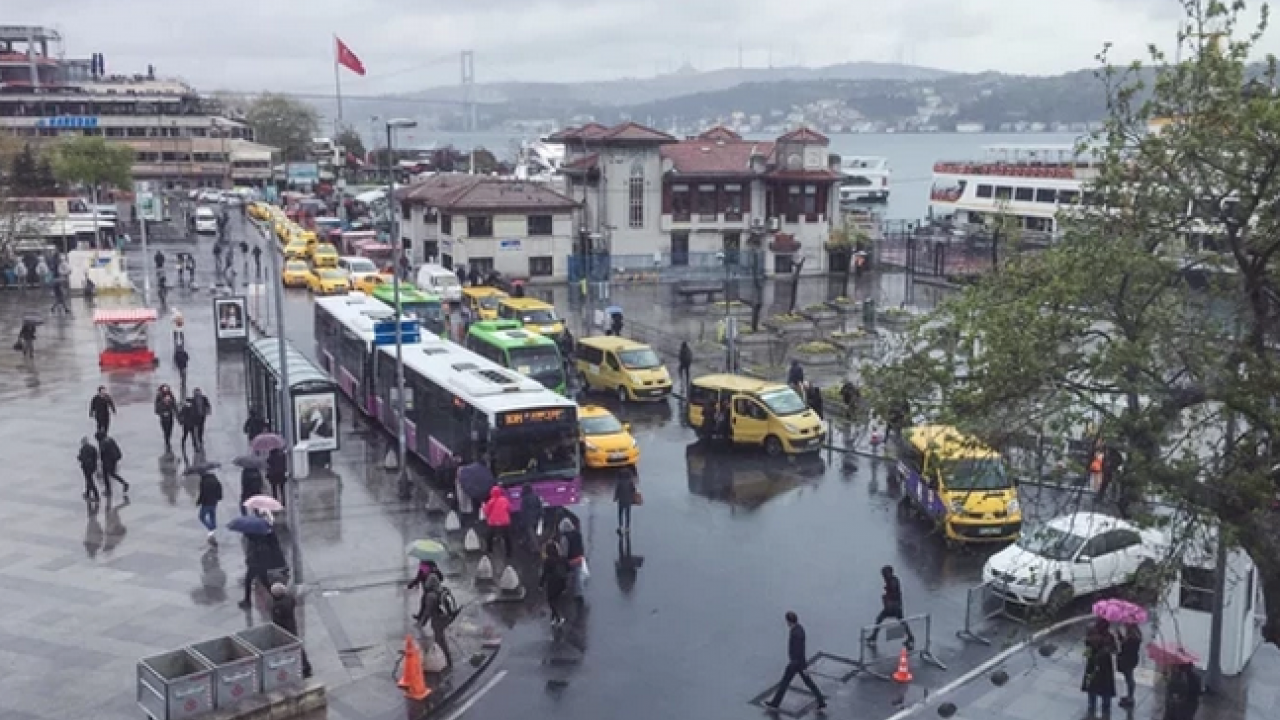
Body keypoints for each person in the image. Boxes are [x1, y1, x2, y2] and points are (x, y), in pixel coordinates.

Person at [765, 611, 827, 711]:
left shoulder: (795, 633)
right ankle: (821, 701)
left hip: (795, 664)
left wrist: (803, 667)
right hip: (799, 663)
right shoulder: (799, 629)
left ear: (789, 621)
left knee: (785, 683)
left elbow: (799, 651)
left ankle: (775, 703)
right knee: (809, 683)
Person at [270, 584, 313, 677]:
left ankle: (299, 667)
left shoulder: (278, 606)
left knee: (291, 649)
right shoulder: (289, 599)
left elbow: (277, 620)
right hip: (292, 627)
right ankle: (305, 666)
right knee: (297, 648)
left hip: (285, 630)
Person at [866, 565, 914, 646]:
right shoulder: (892, 580)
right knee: (901, 621)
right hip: (896, 605)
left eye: (884, 574)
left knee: (880, 619)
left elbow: (894, 593)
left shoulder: (892, 582)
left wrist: (887, 598)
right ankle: (910, 637)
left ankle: (874, 636)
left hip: (893, 606)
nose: (883, 577)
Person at [1082, 618, 1117, 717]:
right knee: (1105, 686)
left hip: (1094, 663)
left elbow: (1087, 645)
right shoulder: (1109, 637)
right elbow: (1114, 649)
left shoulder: (1093, 635)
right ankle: (1105, 707)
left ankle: (1092, 706)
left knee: (1092, 686)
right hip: (1105, 665)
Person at [539, 540, 570, 627]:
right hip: (562, 582)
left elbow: (544, 574)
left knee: (551, 601)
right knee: (557, 599)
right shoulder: (562, 558)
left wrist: (541, 585)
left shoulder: (548, 561)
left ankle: (558, 617)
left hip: (552, 583)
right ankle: (553, 618)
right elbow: (568, 568)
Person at [558, 517, 587, 608]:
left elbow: (564, 551)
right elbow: (582, 546)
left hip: (570, 560)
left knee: (568, 575)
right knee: (578, 576)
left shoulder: (565, 537)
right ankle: (579, 594)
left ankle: (565, 590)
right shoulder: (578, 534)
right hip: (579, 558)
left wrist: (562, 559)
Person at [1115, 624, 1142, 709]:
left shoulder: (1132, 637)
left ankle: (1130, 697)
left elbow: (1125, 646)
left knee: (1129, 678)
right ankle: (1130, 696)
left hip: (1128, 660)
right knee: (1129, 677)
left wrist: (1121, 638)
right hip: (1131, 659)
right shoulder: (1134, 636)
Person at [96, 431, 129, 495]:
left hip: (107, 461)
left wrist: (99, 460)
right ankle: (124, 483)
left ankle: (108, 490)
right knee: (112, 473)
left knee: (106, 475)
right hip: (114, 459)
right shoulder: (110, 439)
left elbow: (102, 453)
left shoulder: (103, 443)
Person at [483, 486, 513, 557]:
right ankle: (509, 553)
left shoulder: (490, 501)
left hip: (493, 522)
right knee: (507, 537)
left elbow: (486, 512)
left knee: (489, 536)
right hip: (504, 521)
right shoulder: (504, 500)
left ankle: (489, 550)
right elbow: (510, 509)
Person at [196, 471, 222, 545]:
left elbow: (202, 493)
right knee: (212, 515)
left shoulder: (203, 481)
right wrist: (218, 497)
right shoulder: (215, 479)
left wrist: (198, 502)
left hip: (206, 503)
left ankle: (210, 527)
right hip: (214, 502)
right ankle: (212, 529)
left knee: (201, 517)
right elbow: (219, 489)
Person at [519, 482, 544, 550]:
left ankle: (537, 548)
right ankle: (532, 544)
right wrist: (541, 514)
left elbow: (523, 510)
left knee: (531, 533)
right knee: (536, 532)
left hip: (528, 519)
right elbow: (540, 506)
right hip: (536, 517)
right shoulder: (535, 496)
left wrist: (522, 519)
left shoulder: (524, 498)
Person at [614, 467, 638, 535]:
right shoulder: (630, 482)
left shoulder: (619, 482)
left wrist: (615, 498)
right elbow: (633, 490)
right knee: (627, 514)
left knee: (620, 514)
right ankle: (627, 527)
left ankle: (620, 526)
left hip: (621, 501)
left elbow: (617, 491)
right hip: (628, 501)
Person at [155, 385, 178, 452]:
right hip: (163, 417)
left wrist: (176, 413)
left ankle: (168, 438)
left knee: (170, 429)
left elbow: (174, 405)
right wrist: (163, 403)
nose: (166, 390)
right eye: (164, 389)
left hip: (170, 416)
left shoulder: (171, 395)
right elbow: (157, 409)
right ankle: (167, 441)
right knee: (165, 430)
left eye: (167, 389)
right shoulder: (159, 397)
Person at [77, 436, 100, 503]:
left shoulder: (82, 449)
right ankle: (87, 493)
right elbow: (97, 456)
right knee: (88, 479)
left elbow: (82, 458)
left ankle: (96, 495)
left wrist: (79, 457)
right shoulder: (93, 448)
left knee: (89, 480)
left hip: (86, 467)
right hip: (93, 466)